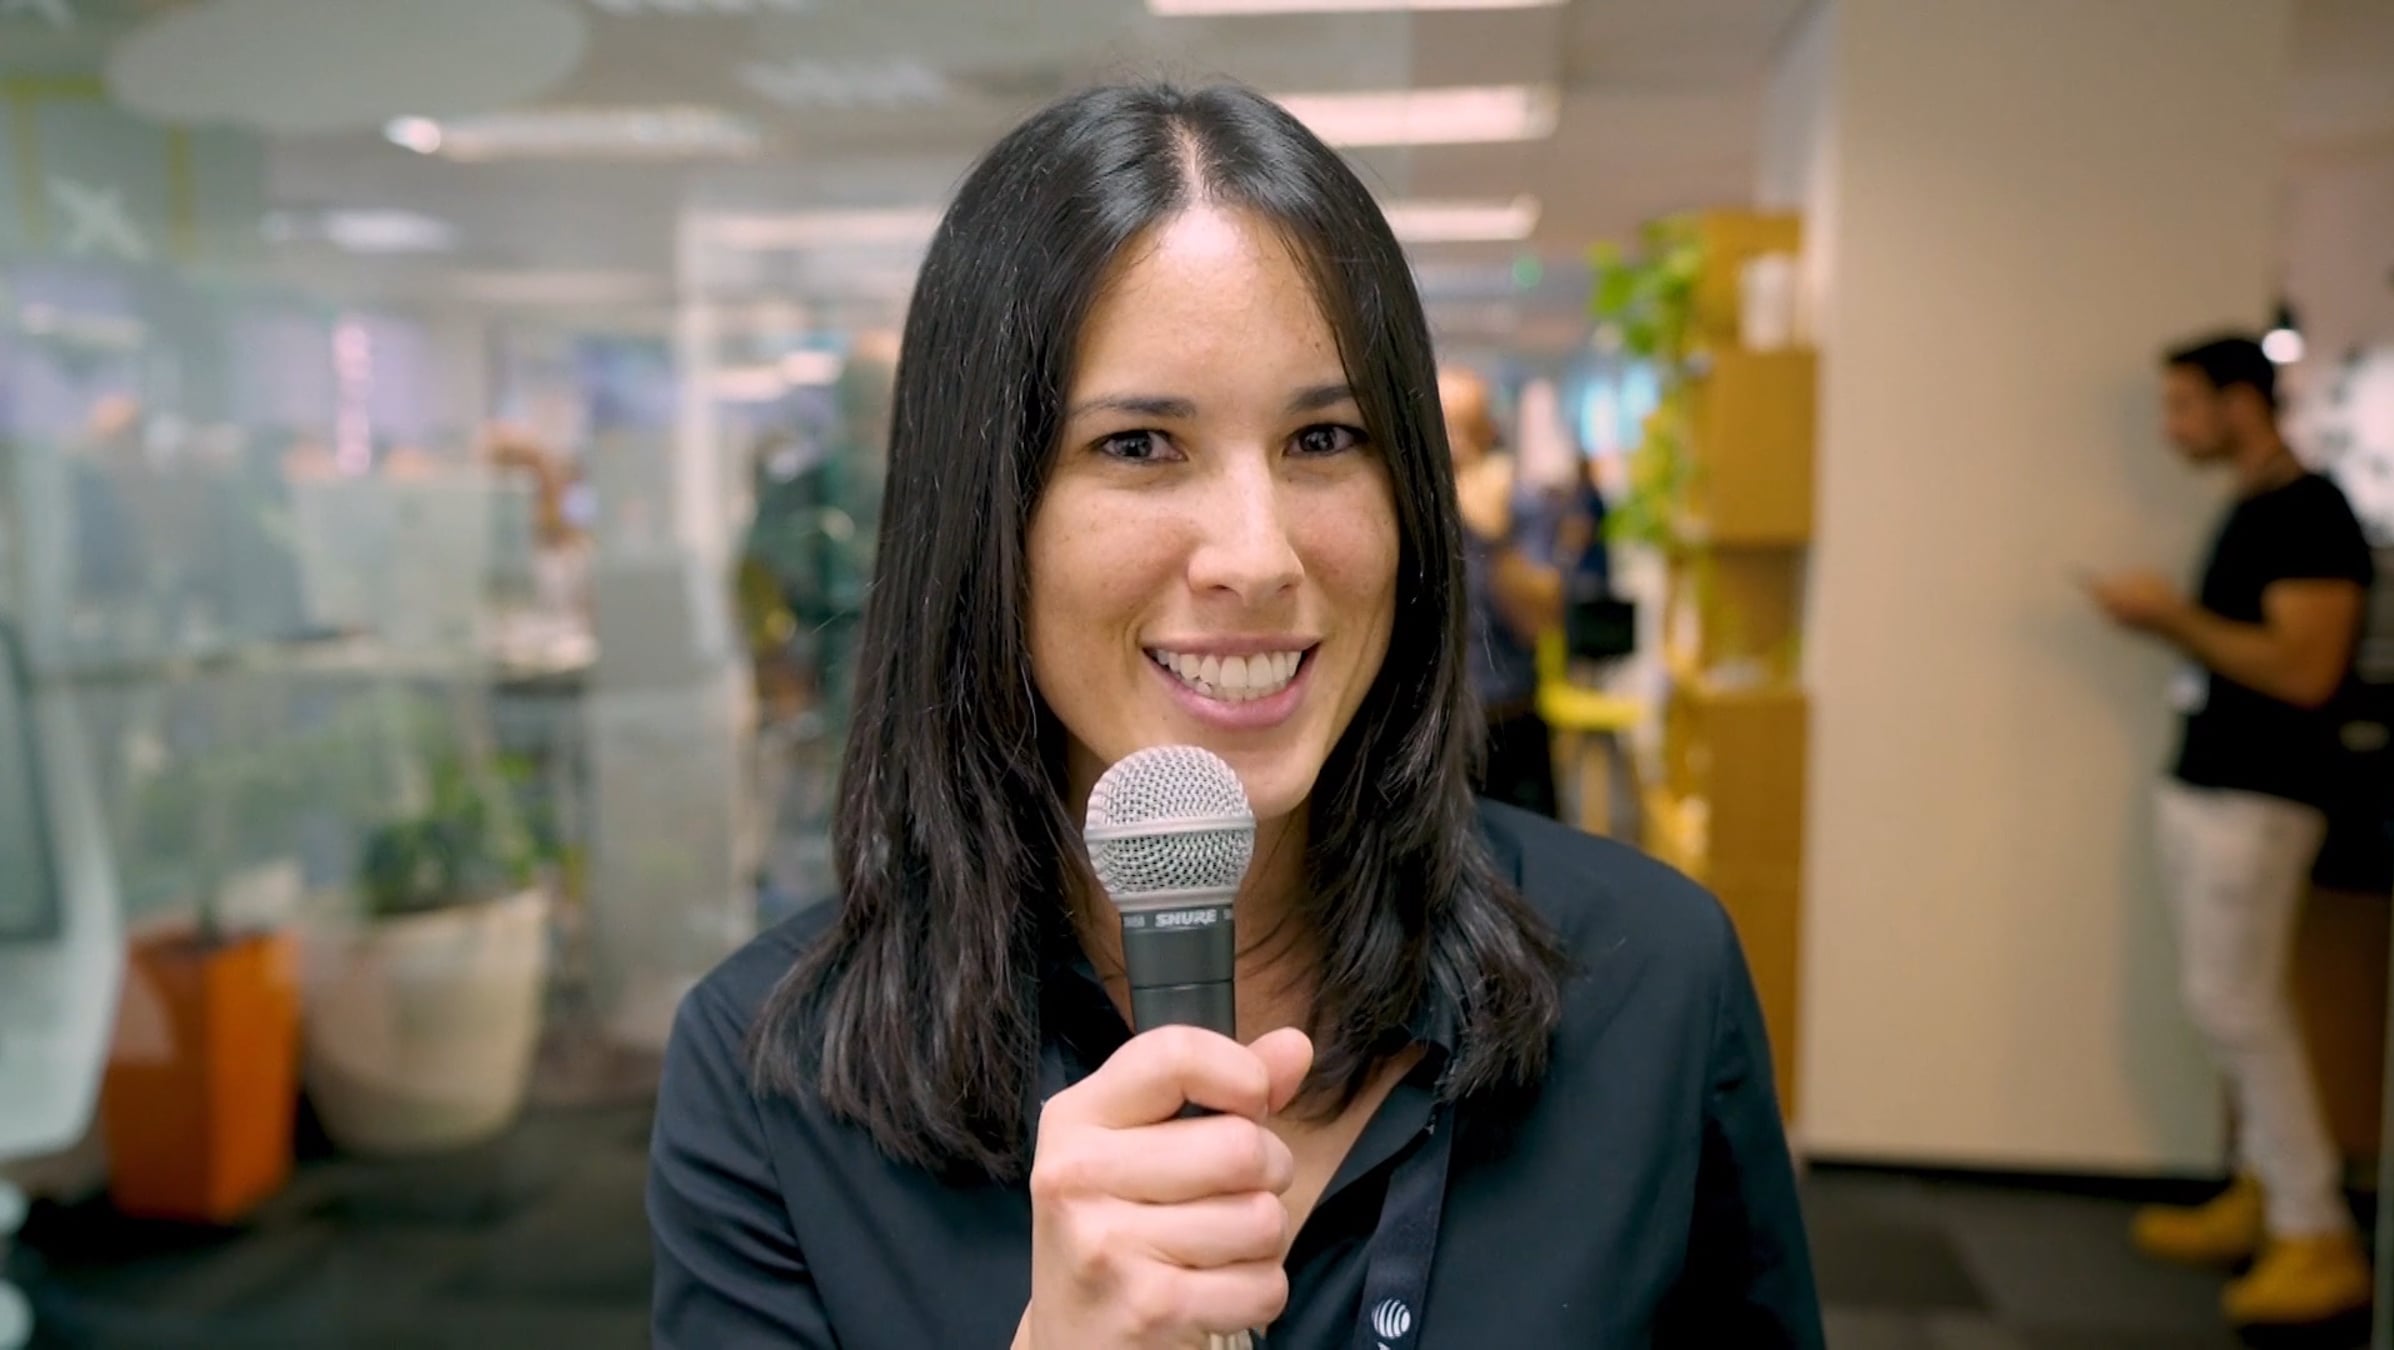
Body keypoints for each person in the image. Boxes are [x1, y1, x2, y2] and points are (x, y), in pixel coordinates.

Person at [647, 81, 1821, 1349]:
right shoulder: (772, 1078)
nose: (1257, 557)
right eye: (1141, 445)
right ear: (983, 517)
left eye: (1325, 437)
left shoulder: (1653, 979)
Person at [2085, 334, 2374, 1329]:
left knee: (2236, 1006)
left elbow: (2305, 669)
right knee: (2229, 1004)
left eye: (2183, 406)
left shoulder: (2310, 514)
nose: (2170, 430)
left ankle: (2314, 1227)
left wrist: (2172, 619)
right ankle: (2268, 1189)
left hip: (2260, 797)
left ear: (2240, 403)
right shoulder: (2257, 507)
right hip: (2213, 787)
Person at [1440, 367, 1576, 819]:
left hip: (1508, 725)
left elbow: (1540, 620)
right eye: (1441, 427)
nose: (1452, 445)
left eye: (1464, 428)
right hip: (1428, 735)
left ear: (1488, 432)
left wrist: (1495, 536)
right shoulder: (1403, 509)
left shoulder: (1520, 506)